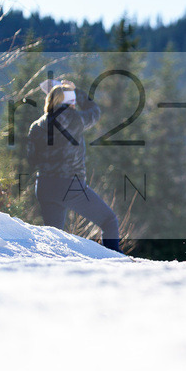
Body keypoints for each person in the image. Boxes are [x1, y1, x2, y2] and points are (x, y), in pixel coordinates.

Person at [26, 79, 121, 252]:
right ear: (71, 102)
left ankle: (49, 265)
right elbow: (95, 111)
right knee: (109, 221)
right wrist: (77, 91)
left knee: (54, 238)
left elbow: (31, 159)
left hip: (44, 186)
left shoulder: (36, 126)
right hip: (70, 185)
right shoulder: (75, 119)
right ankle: (116, 259)